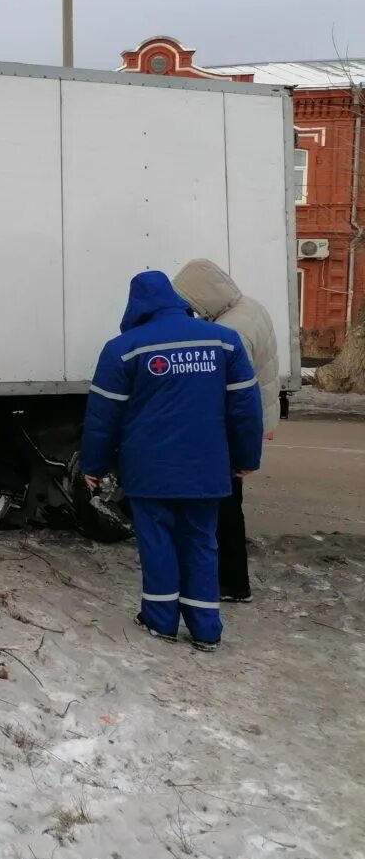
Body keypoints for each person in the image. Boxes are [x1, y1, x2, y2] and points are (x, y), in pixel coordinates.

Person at [79, 271, 263, 652]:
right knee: (201, 541)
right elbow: (245, 406)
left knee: (157, 542)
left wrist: (93, 466)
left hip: (150, 470)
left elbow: (102, 417)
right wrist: (246, 458)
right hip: (206, 467)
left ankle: (160, 620)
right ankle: (206, 628)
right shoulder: (224, 342)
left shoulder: (123, 349)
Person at [172, 259, 280, 603]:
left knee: (224, 509)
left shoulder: (230, 334)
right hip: (248, 424)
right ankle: (230, 580)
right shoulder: (249, 308)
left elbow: (231, 396)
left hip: (231, 432)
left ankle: (231, 583)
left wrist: (237, 449)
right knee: (229, 505)